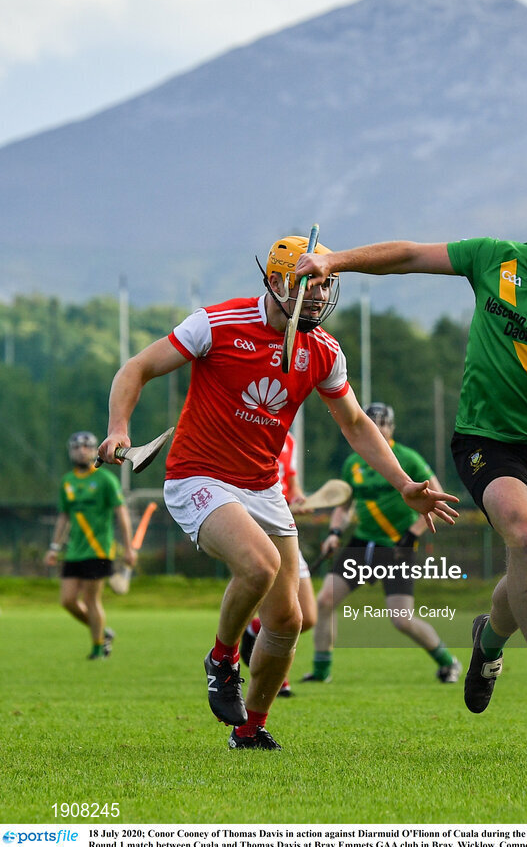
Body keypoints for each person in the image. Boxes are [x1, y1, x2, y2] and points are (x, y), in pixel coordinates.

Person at [296, 178, 527, 735]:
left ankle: (488, 641)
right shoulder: (493, 259)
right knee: (526, 543)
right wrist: (336, 259)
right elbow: (409, 255)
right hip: (483, 439)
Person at [98, 234, 459, 752]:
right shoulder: (217, 324)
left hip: (263, 487)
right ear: (273, 281)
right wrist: (118, 429)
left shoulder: (324, 350)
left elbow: (356, 424)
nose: (318, 294)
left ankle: (250, 729)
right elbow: (137, 368)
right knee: (260, 564)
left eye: (326, 283)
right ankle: (222, 659)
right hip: (198, 476)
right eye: (307, 283)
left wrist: (405, 484)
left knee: (288, 620)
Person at [302, 401, 462, 685]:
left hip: (397, 546)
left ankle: (448, 663)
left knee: (402, 620)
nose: (377, 426)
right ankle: (321, 672)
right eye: (371, 420)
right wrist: (334, 533)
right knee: (325, 601)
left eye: (383, 422)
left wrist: (413, 533)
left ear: (392, 427)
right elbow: (343, 504)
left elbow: (436, 496)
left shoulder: (408, 458)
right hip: (362, 543)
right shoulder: (353, 462)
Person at [44, 431, 135, 660]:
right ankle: (103, 631)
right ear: (70, 452)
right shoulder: (68, 482)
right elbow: (64, 517)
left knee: (90, 600)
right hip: (74, 550)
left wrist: (128, 547)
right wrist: (55, 548)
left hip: (99, 549)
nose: (81, 451)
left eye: (86, 447)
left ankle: (98, 649)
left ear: (95, 450)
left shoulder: (106, 480)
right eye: (76, 447)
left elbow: (122, 514)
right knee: (67, 600)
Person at [240, 431, 314, 697]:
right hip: (255, 526)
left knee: (307, 616)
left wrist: (297, 500)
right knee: (280, 612)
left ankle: (253, 629)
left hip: (284, 526)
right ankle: (275, 680)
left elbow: (291, 486)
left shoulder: (290, 439)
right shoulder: (245, 426)